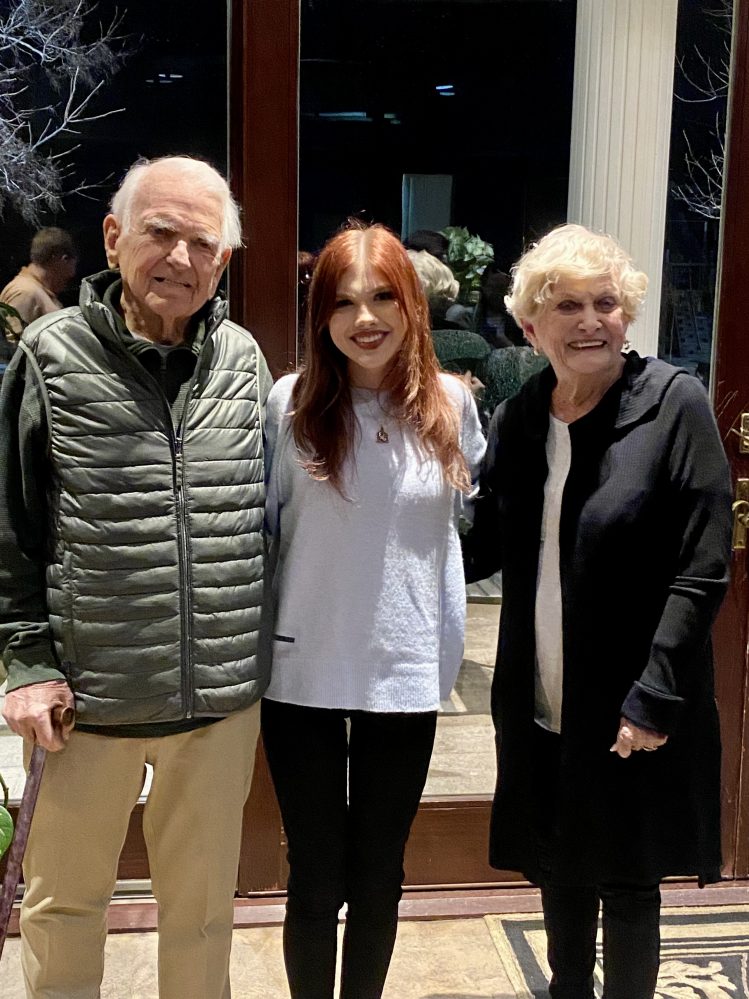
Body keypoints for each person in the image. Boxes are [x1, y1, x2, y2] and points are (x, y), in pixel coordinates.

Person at [0, 155, 273, 998]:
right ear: (114, 239)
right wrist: (27, 663)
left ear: (223, 262)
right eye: (161, 233)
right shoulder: (51, 354)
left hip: (216, 704)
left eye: (203, 243)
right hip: (88, 702)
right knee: (64, 907)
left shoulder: (243, 359)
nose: (181, 259)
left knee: (200, 915)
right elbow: (11, 526)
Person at [463, 223, 732, 999]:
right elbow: (483, 547)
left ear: (627, 313)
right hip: (540, 695)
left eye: (605, 303)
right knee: (556, 860)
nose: (589, 321)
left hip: (633, 698)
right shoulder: (520, 417)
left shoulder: (673, 404)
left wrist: (655, 692)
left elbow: (701, 566)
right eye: (567, 305)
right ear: (530, 325)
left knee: (626, 876)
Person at [260, 221, 485, 999]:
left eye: (383, 296)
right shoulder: (288, 404)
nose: (365, 319)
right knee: (315, 873)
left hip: (406, 668)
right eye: (343, 301)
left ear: (412, 303)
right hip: (301, 669)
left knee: (381, 872)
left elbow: (461, 531)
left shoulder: (451, 404)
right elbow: (264, 529)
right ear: (319, 315)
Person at [0, 227, 78, 342]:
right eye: (68, 276)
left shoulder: (36, 292)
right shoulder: (25, 293)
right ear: (62, 259)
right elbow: (12, 350)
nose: (71, 276)